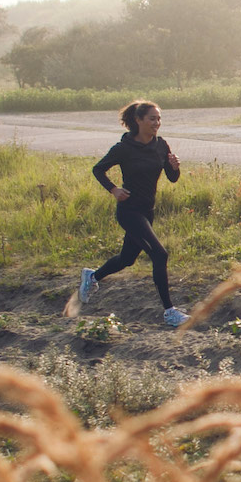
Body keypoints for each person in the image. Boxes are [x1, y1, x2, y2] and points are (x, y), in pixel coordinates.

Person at [78, 99, 190, 327]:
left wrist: (175, 167)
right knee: (160, 255)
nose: (157, 123)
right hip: (129, 212)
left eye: (159, 119)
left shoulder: (161, 145)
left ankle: (92, 277)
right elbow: (98, 169)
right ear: (138, 120)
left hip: (148, 212)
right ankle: (170, 312)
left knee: (127, 259)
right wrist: (114, 190)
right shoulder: (124, 148)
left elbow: (172, 177)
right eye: (152, 118)